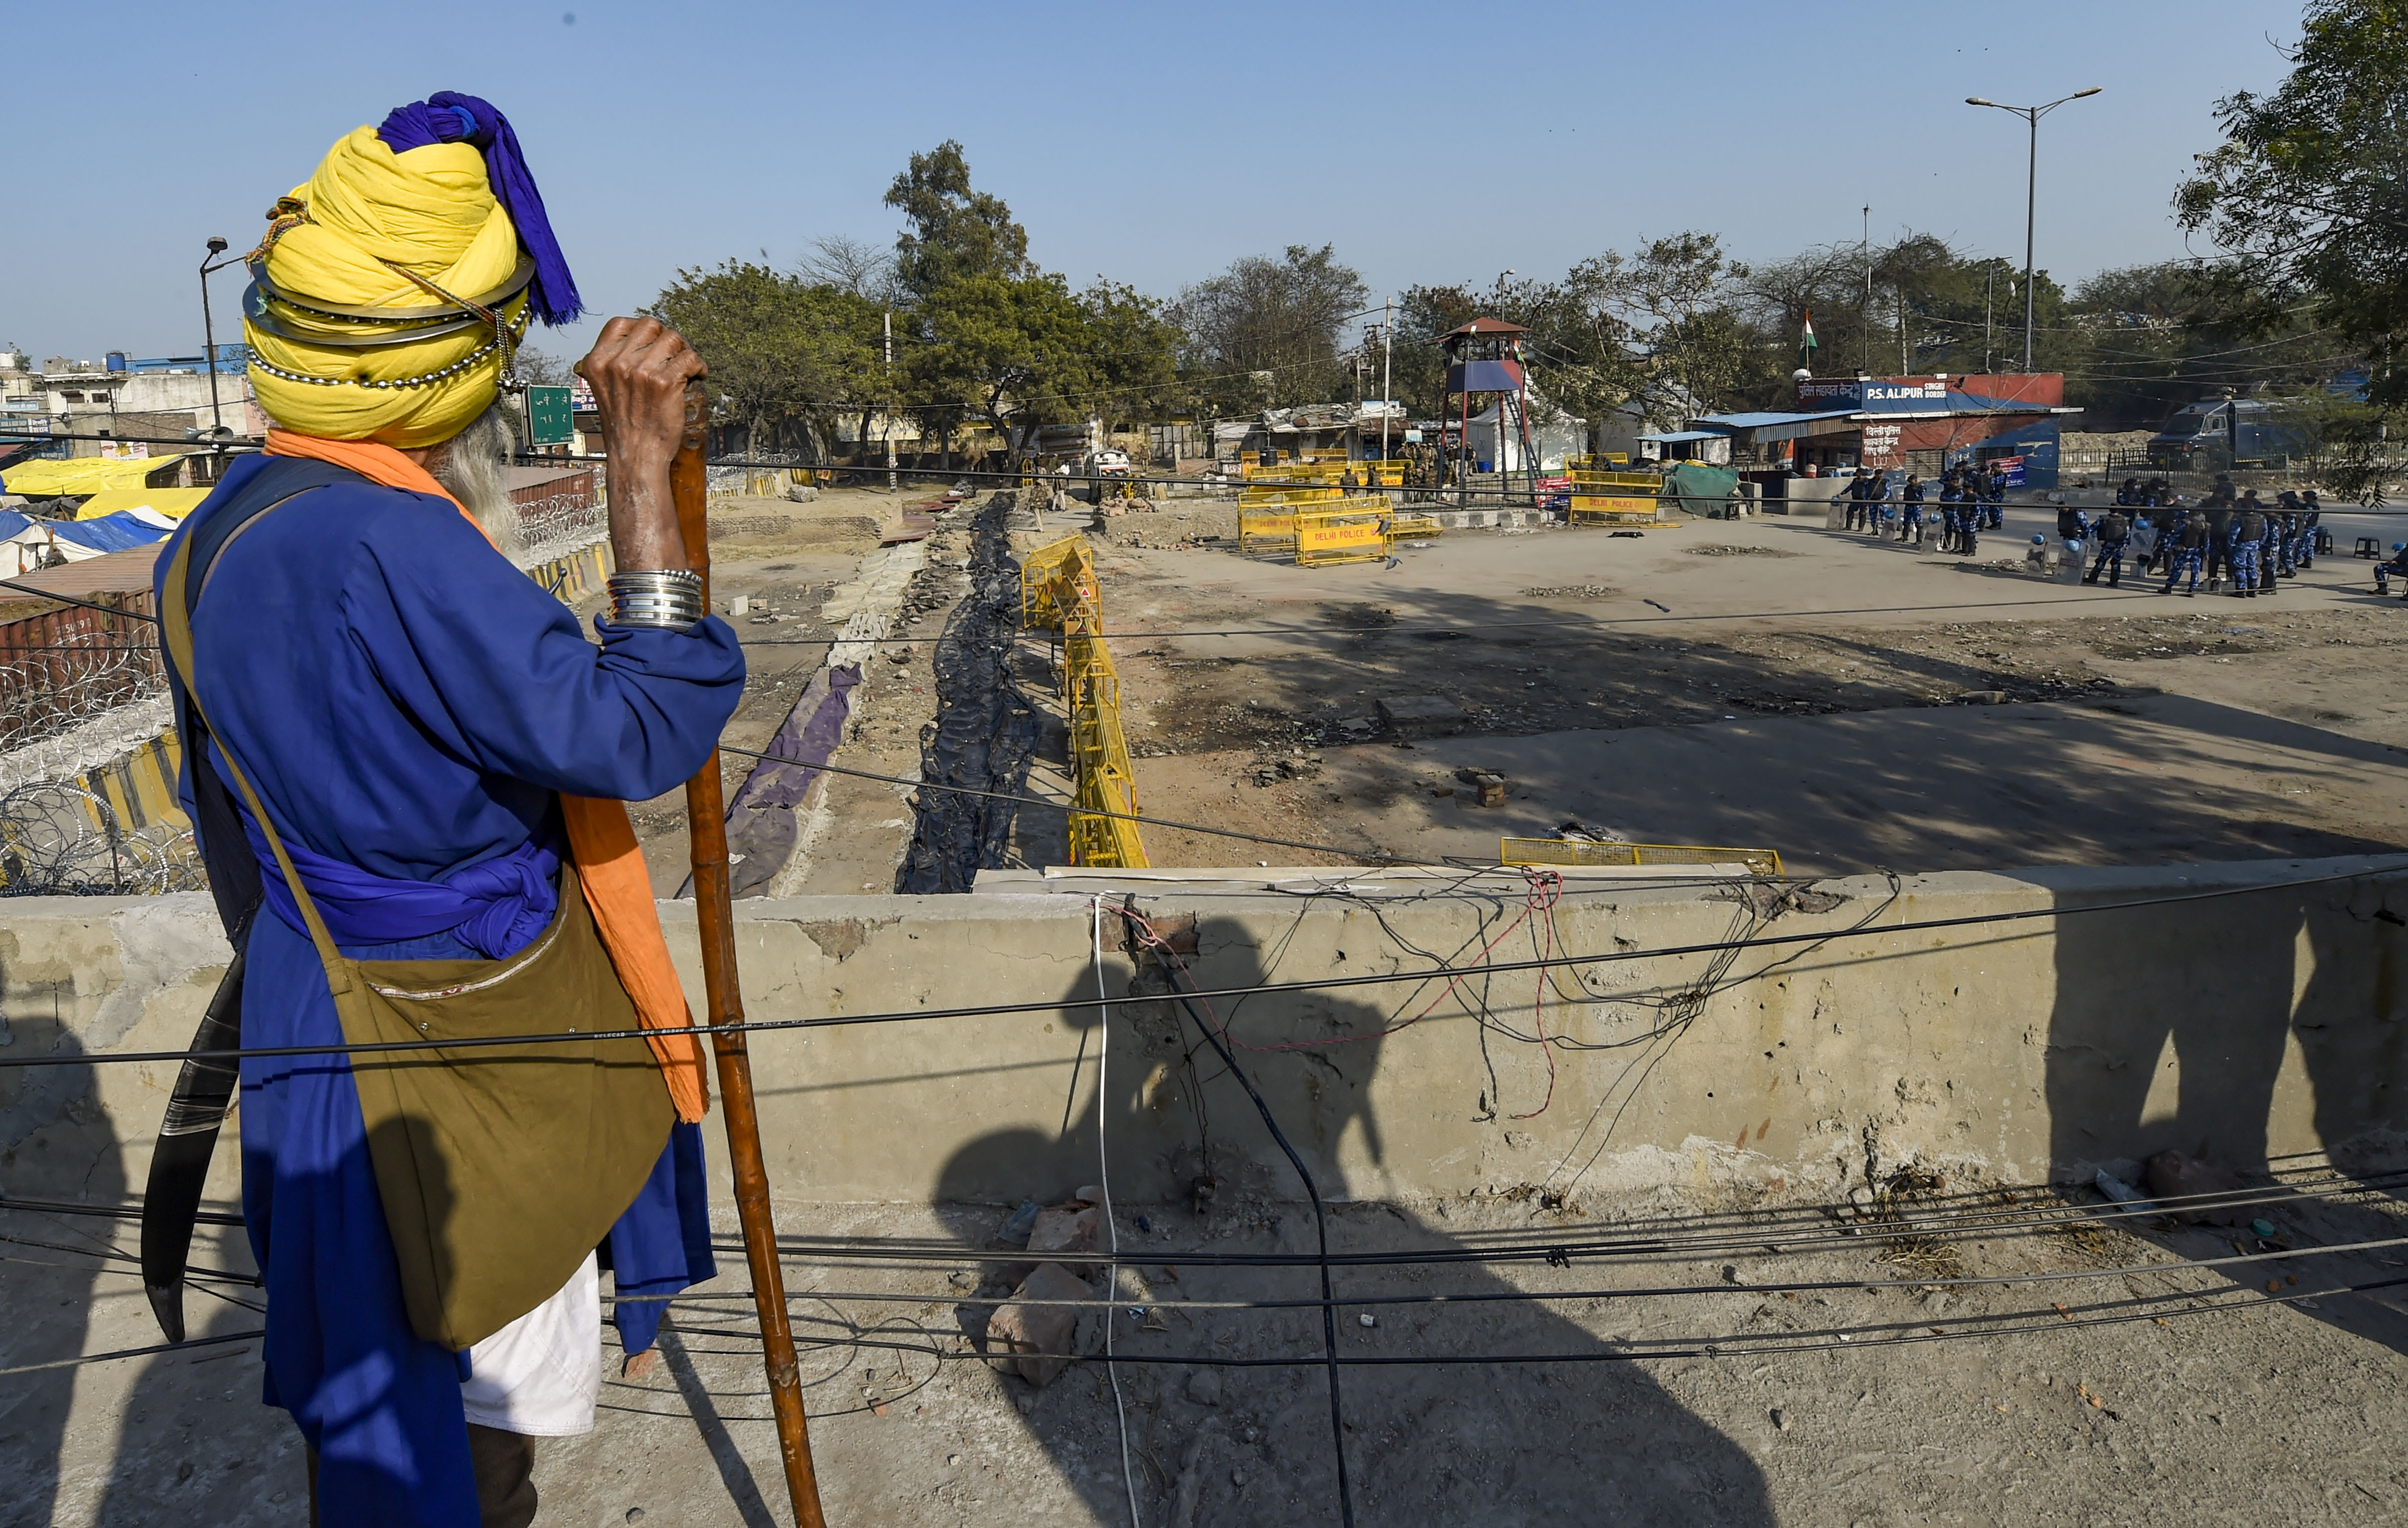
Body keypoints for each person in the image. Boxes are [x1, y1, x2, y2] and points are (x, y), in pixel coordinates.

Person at [158, 94, 738, 1525]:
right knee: (469, 1372)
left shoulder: (216, 527)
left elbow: (231, 826)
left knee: (373, 1370)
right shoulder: (400, 542)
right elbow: (635, 727)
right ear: (465, 370)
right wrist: (640, 482)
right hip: (467, 1018)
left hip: (314, 990)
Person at [2162, 509, 2209, 596]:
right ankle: (2192, 590)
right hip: (2197, 550)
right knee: (2196, 570)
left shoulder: (2185, 523)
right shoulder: (2203, 525)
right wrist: (2206, 552)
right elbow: (2206, 540)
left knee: (2177, 568)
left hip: (2183, 550)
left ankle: (2168, 587)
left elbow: (2176, 535)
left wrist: (2172, 547)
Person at [2085, 505, 2132, 587]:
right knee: (2116, 562)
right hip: (2121, 544)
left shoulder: (2104, 519)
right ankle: (2114, 582)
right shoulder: (2125, 520)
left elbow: (2092, 528)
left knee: (2101, 561)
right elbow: (2128, 533)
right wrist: (2127, 545)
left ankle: (2093, 578)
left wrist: (2083, 535)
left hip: (2108, 543)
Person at [2231, 498, 2267, 597]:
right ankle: (2252, 589)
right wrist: (2259, 544)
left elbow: (2234, 534)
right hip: (2254, 544)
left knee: (2240, 567)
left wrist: (2231, 545)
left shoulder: (2239, 519)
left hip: (2242, 544)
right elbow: (2265, 533)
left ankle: (2241, 590)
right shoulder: (2261, 518)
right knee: (2252, 566)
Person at [1899, 473, 1926, 544]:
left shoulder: (1921, 488)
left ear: (1916, 480)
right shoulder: (1908, 488)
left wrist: (1916, 492)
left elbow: (1922, 498)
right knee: (1907, 522)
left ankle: (1919, 540)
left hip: (1916, 507)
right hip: (1908, 506)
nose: (1911, 482)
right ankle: (1904, 537)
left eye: (1912, 480)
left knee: (1918, 524)